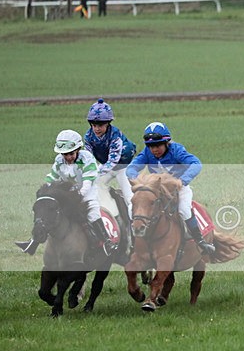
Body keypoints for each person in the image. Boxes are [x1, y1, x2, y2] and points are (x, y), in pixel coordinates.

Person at [126, 122, 216, 254]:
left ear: (167, 142)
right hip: (158, 191)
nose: (154, 149)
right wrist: (137, 180)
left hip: (179, 189)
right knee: (131, 209)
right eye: (150, 146)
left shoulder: (176, 150)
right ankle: (134, 243)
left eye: (157, 145)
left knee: (184, 210)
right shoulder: (146, 153)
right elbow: (131, 168)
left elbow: (196, 164)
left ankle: (200, 241)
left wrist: (183, 180)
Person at [46, 130, 117, 255]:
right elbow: (52, 177)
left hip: (87, 191)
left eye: (71, 154)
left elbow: (87, 181)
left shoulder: (87, 158)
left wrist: (80, 194)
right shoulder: (58, 160)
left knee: (93, 212)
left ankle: (107, 241)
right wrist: (46, 190)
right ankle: (34, 240)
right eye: (64, 154)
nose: (68, 157)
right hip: (68, 195)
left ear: (78, 149)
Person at [83, 99, 136, 218]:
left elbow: (113, 160)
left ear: (108, 123)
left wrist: (96, 172)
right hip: (106, 165)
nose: (96, 128)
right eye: (94, 125)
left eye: (100, 125)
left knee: (130, 199)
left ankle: (134, 227)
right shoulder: (88, 136)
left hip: (122, 167)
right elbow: (88, 158)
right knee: (93, 187)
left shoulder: (115, 136)